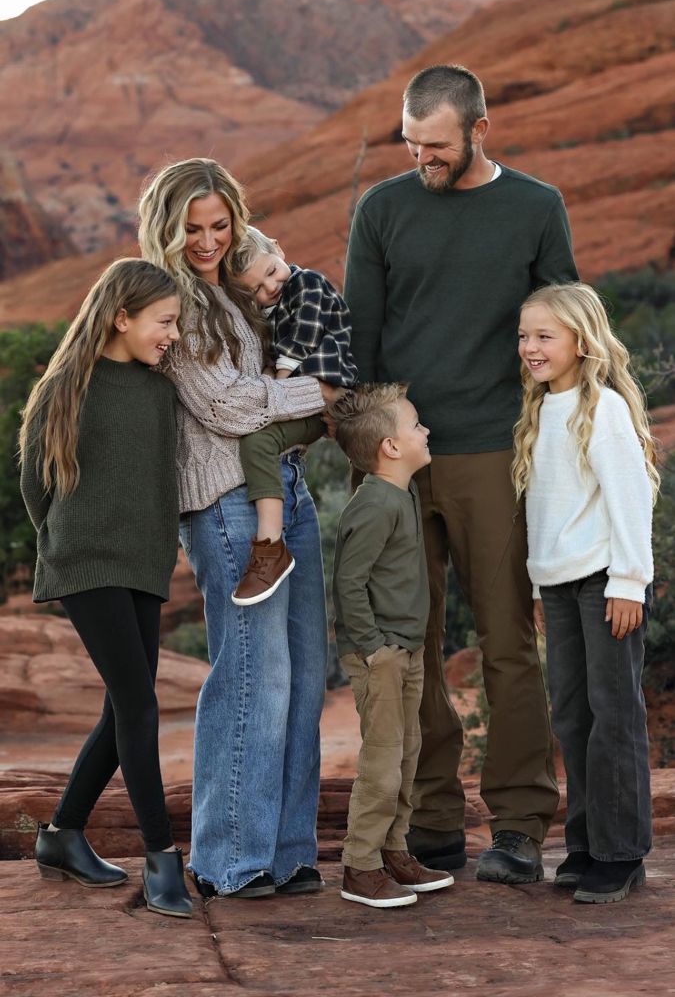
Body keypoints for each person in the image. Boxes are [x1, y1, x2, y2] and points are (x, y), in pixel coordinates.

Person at [344, 63, 578, 884]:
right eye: (409, 143)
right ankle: (431, 821)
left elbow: (564, 330)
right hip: (400, 459)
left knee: (507, 641)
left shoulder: (535, 207)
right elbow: (362, 343)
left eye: (435, 145)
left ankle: (517, 824)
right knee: (411, 645)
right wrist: (371, 466)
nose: (420, 159)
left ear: (481, 129)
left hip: (490, 451)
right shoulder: (381, 209)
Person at [138, 158, 338, 900]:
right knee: (257, 673)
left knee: (306, 673)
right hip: (224, 501)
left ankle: (286, 852)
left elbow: (266, 379)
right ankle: (230, 857)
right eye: (191, 228)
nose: (207, 240)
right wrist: (322, 389)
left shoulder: (243, 277)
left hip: (285, 486)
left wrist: (287, 393)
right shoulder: (174, 300)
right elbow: (223, 407)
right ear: (167, 227)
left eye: (219, 225)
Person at [19, 258, 193, 919]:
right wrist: (71, 540)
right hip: (87, 562)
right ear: (123, 317)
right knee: (140, 703)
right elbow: (37, 484)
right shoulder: (69, 383)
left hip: (143, 561)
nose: (172, 334)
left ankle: (61, 836)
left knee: (121, 709)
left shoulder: (158, 390)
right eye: (164, 321)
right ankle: (162, 861)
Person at [514, 282, 657, 903]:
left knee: (614, 714)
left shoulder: (606, 411)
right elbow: (546, 511)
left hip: (606, 583)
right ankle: (584, 843)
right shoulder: (538, 409)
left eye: (545, 336)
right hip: (560, 587)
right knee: (573, 716)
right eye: (524, 336)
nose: (531, 347)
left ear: (582, 339)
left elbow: (630, 499)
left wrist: (629, 581)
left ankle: (620, 853)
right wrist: (541, 587)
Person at [332, 383, 454, 908]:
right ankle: (360, 867)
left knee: (406, 755)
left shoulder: (400, 493)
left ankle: (393, 853)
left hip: (406, 651)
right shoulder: (376, 503)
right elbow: (348, 583)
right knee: (382, 764)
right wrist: (374, 648)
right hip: (381, 656)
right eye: (416, 425)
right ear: (391, 447)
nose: (425, 430)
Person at [228, 225, 357, 605]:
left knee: (258, 439)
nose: (270, 287)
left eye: (271, 271)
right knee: (259, 440)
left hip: (331, 386)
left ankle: (269, 546)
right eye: (254, 289)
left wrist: (276, 384)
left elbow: (301, 337)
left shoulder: (308, 284)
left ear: (280, 250)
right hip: (308, 398)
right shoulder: (266, 310)